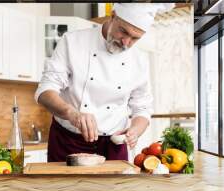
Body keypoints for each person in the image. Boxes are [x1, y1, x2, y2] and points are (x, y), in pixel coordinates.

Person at [35, 3, 174, 162]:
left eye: (135, 38)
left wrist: (135, 131)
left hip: (114, 145)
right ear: (113, 15)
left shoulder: (139, 60)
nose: (126, 42)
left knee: (115, 187)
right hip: (69, 141)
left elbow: (142, 108)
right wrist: (72, 113)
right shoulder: (72, 41)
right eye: (123, 31)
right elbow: (45, 91)